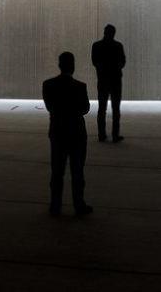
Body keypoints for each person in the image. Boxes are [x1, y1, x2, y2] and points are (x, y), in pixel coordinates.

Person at [42, 52, 92, 217]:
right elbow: (85, 109)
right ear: (73, 66)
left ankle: (55, 206)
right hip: (77, 133)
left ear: (59, 65)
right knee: (77, 171)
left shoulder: (48, 85)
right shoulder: (80, 86)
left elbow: (50, 107)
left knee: (57, 171)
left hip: (57, 132)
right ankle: (79, 204)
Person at [91, 24, 126, 142]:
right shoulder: (118, 46)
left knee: (102, 108)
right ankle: (115, 135)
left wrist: (103, 70)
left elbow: (95, 61)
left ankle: (101, 135)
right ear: (114, 33)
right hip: (115, 80)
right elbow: (123, 62)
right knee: (116, 109)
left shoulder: (96, 46)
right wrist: (115, 69)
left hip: (103, 80)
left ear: (104, 32)